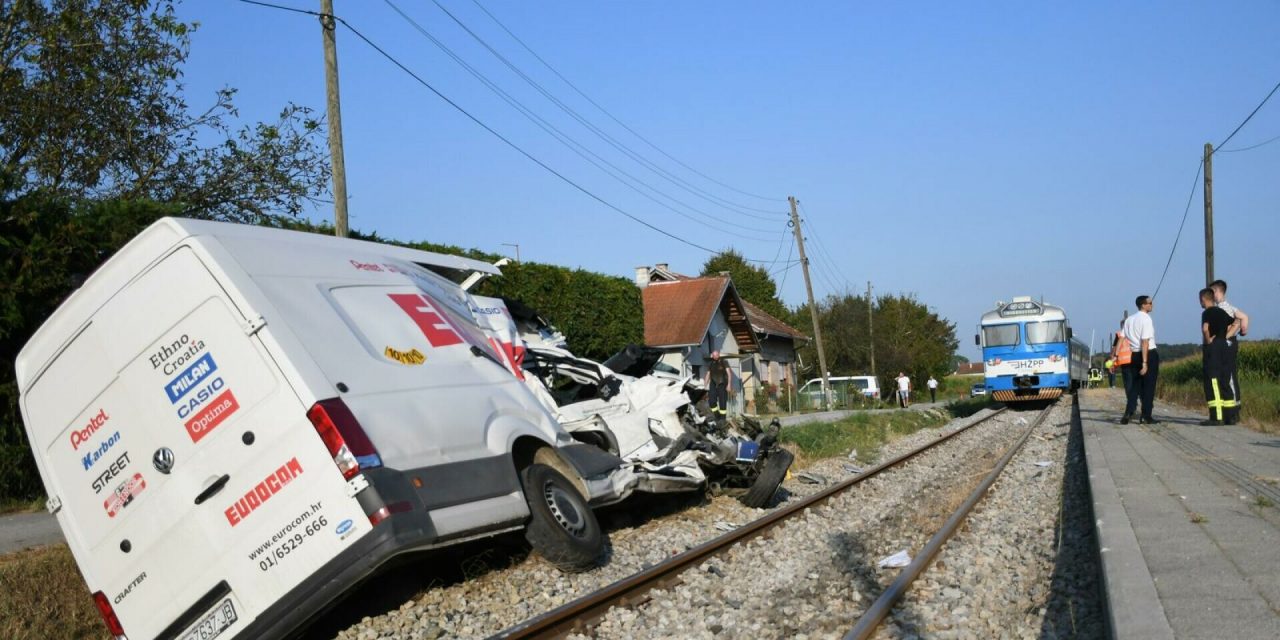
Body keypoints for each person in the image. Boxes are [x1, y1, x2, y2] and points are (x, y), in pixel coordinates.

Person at [1199, 287, 1241, 425]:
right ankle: (1229, 416)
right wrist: (1227, 335)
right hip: (1225, 345)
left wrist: (1208, 338)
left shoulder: (1207, 313)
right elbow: (1236, 321)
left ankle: (1216, 417)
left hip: (1214, 348)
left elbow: (1205, 328)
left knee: (1213, 381)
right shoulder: (1222, 312)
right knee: (1225, 379)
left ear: (1204, 299)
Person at [1210, 279, 1248, 411]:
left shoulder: (1223, 308)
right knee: (1227, 375)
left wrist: (1226, 336)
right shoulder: (1229, 306)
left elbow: (1236, 322)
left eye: (1211, 292)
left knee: (1229, 375)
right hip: (1229, 342)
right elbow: (1244, 317)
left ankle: (1234, 407)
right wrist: (1244, 330)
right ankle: (1232, 405)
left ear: (1216, 291)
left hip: (1227, 343)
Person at [1121, 295, 1159, 425]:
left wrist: (1115, 356)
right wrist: (1145, 362)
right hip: (1147, 354)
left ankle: (1128, 412)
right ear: (1143, 305)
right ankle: (1146, 415)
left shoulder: (1129, 320)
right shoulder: (1146, 319)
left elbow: (1121, 337)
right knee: (1148, 386)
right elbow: (1145, 342)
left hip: (1134, 355)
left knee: (1135, 386)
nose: (1152, 304)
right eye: (1150, 302)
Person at [1109, 319, 1133, 409]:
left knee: (1128, 385)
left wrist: (1112, 364)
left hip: (1125, 363)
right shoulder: (1135, 333)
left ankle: (1131, 404)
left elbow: (1114, 350)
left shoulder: (1119, 334)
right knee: (1136, 384)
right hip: (1135, 362)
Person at [703, 350, 733, 420]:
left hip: (722, 384)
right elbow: (708, 374)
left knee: (722, 403)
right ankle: (717, 415)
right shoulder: (710, 364)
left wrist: (729, 385)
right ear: (712, 356)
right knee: (711, 402)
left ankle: (722, 419)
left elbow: (729, 374)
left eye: (716, 355)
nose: (715, 356)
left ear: (719, 355)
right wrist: (704, 386)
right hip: (713, 384)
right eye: (714, 355)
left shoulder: (724, 362)